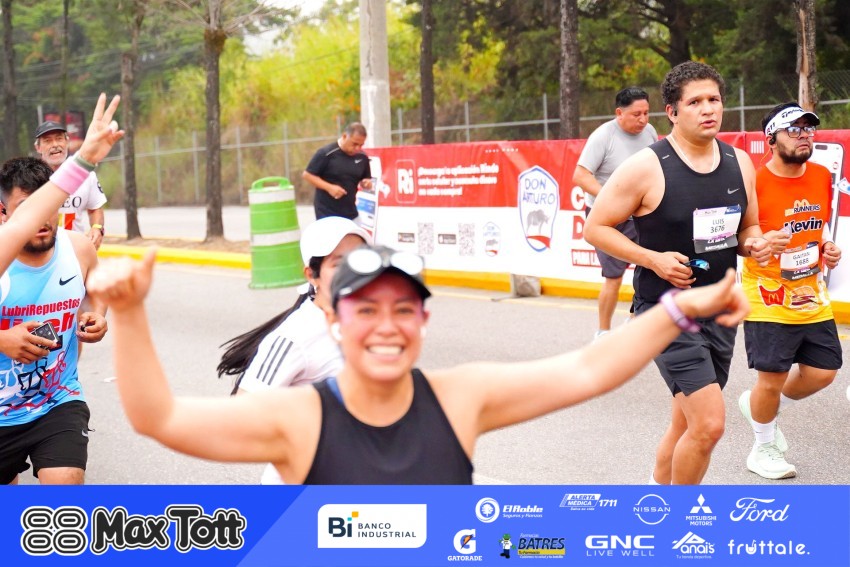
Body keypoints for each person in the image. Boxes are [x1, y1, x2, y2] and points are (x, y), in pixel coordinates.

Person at [87, 241, 749, 485]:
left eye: (403, 309)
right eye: (366, 309)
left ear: (424, 322)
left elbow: (588, 370)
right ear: (333, 321)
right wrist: (131, 313)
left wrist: (681, 307)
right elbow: (159, 417)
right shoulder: (297, 419)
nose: (386, 326)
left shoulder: (461, 397)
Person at [584, 61, 775, 485]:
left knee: (686, 423)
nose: (708, 109)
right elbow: (595, 228)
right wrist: (652, 259)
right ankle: (680, 516)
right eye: (695, 102)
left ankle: (653, 497)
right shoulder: (646, 166)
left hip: (719, 311)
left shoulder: (740, 162)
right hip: (666, 312)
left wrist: (755, 244)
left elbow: (747, 227)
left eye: (714, 100)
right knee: (709, 425)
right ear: (671, 112)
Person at [217, 216, 369, 483]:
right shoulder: (295, 336)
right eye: (339, 264)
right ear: (312, 275)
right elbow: (240, 417)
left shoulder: (366, 321)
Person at [738, 103, 842, 480]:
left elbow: (816, 226)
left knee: (824, 371)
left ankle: (759, 405)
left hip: (810, 291)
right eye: (793, 130)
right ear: (771, 139)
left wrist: (826, 247)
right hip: (766, 293)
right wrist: (758, 243)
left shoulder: (820, 175)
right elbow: (740, 236)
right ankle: (762, 447)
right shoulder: (754, 182)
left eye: (808, 129)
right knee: (773, 377)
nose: (804, 137)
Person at [0, 157, 111, 485]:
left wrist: (97, 316)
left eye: (48, 205)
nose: (41, 218)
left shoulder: (78, 248)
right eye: (28, 208)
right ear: (4, 212)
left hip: (57, 400)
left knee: (65, 494)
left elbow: (97, 289)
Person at [573, 87, 658, 339]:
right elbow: (580, 176)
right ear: (619, 113)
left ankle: (633, 321)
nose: (643, 119)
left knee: (649, 268)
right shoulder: (603, 136)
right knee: (614, 276)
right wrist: (611, 198)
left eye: (646, 113)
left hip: (640, 215)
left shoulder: (650, 132)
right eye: (636, 114)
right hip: (608, 219)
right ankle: (603, 332)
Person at [34, 121, 108, 250]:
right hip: (40, 251)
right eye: (47, 141)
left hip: (74, 250)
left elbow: (95, 207)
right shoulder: (28, 177)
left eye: (59, 139)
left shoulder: (85, 174)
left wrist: (97, 228)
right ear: (38, 147)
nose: (55, 145)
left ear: (67, 142)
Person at [303, 123, 372, 221]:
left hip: (351, 213)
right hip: (326, 213)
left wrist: (367, 183)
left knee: (357, 231)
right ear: (344, 136)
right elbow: (308, 175)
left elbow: (366, 178)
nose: (357, 148)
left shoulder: (362, 157)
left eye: (361, 145)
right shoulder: (326, 153)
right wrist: (329, 187)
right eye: (354, 144)